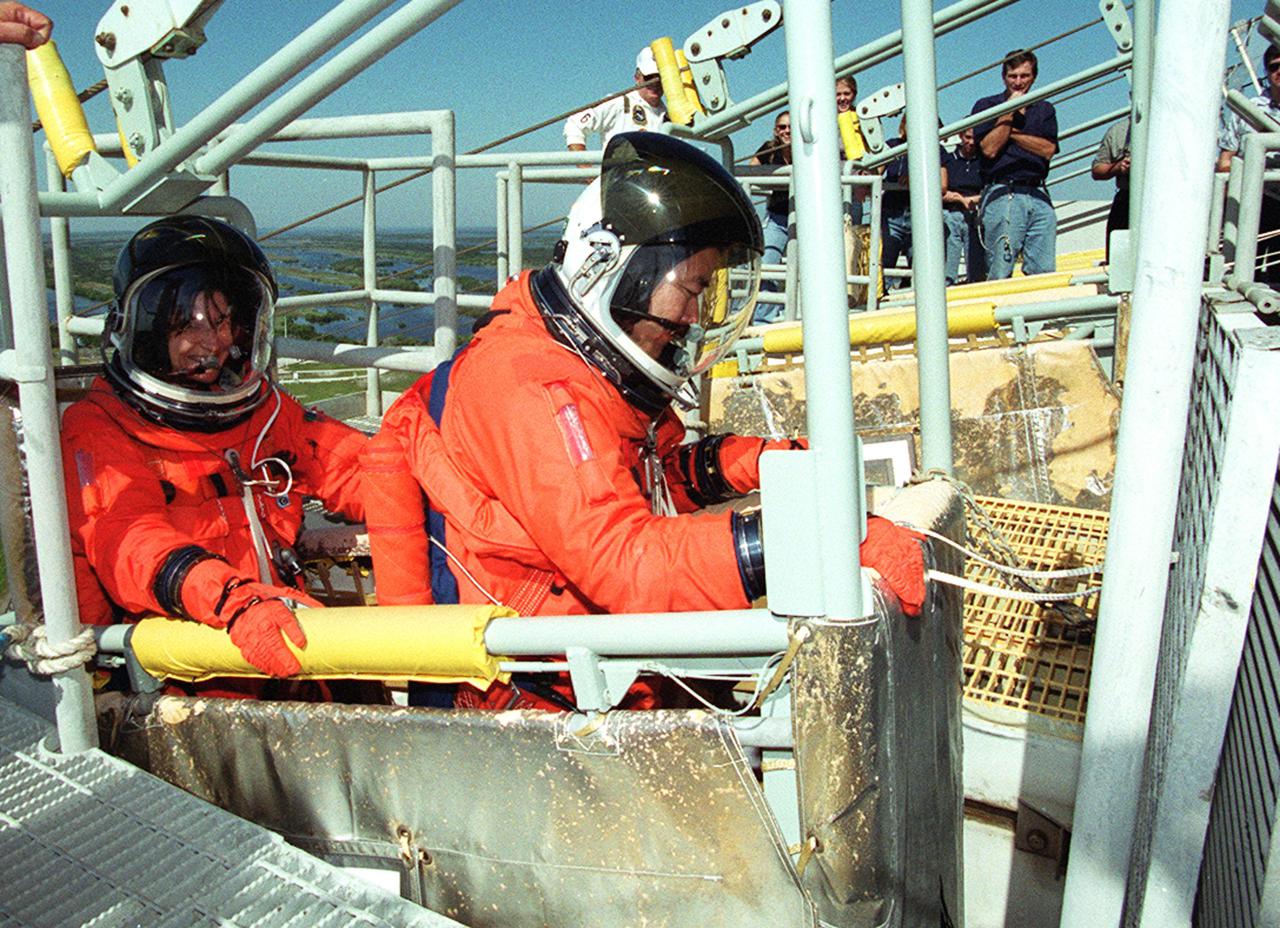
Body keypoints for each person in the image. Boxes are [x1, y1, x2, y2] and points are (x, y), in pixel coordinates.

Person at [370, 133, 927, 710]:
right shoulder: (531, 384)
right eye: (690, 291)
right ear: (616, 272)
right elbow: (626, 563)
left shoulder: (583, 370)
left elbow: (639, 482)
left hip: (600, 669)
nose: (691, 318)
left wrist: (760, 461)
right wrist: (817, 539)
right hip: (538, 704)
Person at [61, 216, 368, 685]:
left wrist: (445, 478)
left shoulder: (264, 412)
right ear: (145, 329)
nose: (214, 342)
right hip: (179, 674)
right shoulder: (98, 427)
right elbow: (129, 540)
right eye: (187, 324)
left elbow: (355, 467)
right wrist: (230, 599)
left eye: (223, 322)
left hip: (284, 632)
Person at [971, 49, 1058, 279]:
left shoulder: (1044, 109)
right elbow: (989, 148)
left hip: (1039, 193)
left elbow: (1048, 150)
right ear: (1004, 77)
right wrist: (1009, 112)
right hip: (1003, 192)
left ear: (1034, 77)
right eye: (1013, 76)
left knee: (1044, 270)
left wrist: (1010, 134)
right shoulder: (986, 106)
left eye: (1024, 76)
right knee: (999, 268)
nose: (1018, 82)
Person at [1219, 44, 1280, 285]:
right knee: (1246, 266)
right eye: (1274, 66)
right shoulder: (1247, 110)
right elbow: (1226, 159)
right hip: (1255, 198)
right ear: (1266, 71)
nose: (1279, 71)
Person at [565, 47, 670, 153]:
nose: (655, 83)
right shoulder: (619, 102)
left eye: (660, 77)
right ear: (637, 78)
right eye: (649, 77)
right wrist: (585, 167)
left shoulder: (669, 116)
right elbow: (574, 125)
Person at [749, 110, 791, 318]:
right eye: (782, 127)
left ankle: (794, 313)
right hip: (778, 216)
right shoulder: (771, 149)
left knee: (803, 268)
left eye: (790, 126)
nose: (786, 131)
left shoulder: (809, 148)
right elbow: (752, 168)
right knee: (767, 266)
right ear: (776, 130)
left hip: (806, 219)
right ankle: (763, 318)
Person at [941, 127, 986, 284]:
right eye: (968, 137)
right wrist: (960, 199)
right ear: (960, 136)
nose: (971, 142)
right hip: (951, 215)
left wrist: (974, 199)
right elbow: (939, 191)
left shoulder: (983, 161)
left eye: (975, 138)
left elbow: (989, 189)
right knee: (947, 269)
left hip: (975, 216)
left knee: (976, 270)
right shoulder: (948, 160)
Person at [1091, 116, 1131, 266]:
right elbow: (1097, 170)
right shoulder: (1118, 131)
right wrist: (1119, 167)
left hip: (1168, 202)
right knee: (1118, 262)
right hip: (1127, 200)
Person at [836, 75, 866, 225]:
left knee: (852, 236)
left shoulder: (864, 119)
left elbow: (873, 154)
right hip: (828, 188)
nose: (842, 98)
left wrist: (863, 184)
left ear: (854, 94)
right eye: (838, 94)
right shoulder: (822, 119)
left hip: (854, 190)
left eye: (846, 93)